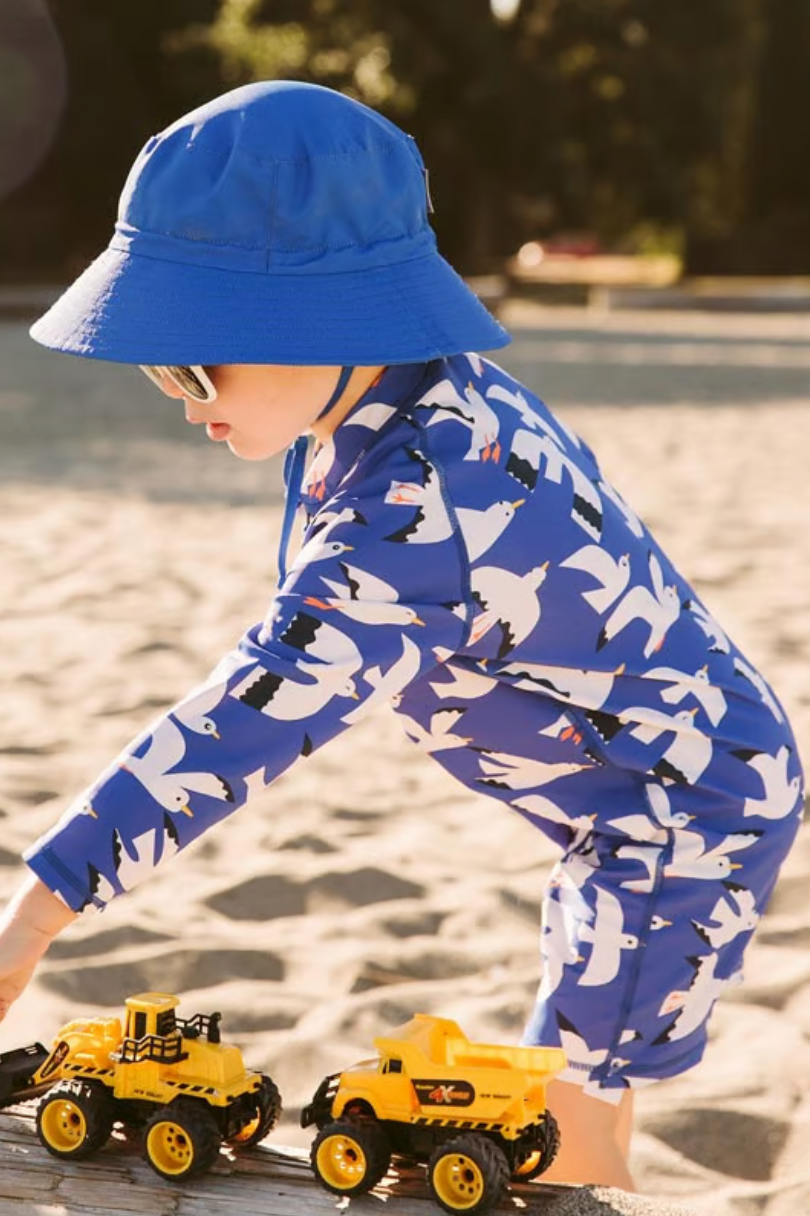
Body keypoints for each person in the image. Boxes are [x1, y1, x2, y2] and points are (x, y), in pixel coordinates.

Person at [1, 80, 803, 1191]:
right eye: (158, 369)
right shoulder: (406, 399)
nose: (183, 402)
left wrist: (37, 914)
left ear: (320, 327)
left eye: (195, 367)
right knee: (560, 1084)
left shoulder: (417, 510)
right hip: (640, 777)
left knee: (560, 1131)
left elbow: (243, 722)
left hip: (679, 814)